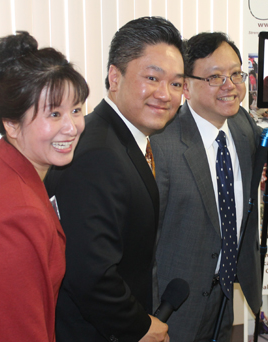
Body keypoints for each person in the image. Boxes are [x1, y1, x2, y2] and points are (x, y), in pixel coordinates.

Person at [150, 32, 268, 342]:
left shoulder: (241, 124)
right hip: (173, 305)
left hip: (225, 293)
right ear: (186, 85)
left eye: (235, 74)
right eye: (215, 77)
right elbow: (147, 240)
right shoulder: (162, 141)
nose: (230, 86)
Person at [44, 17, 184, 342]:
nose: (165, 94)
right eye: (152, 78)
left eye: (176, 84)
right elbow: (90, 274)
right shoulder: (98, 153)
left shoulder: (126, 139)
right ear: (114, 77)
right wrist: (138, 326)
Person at [0, 31, 89, 341]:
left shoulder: (1, 168)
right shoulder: (15, 216)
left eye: (77, 109)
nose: (72, 127)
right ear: (11, 124)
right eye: (54, 114)